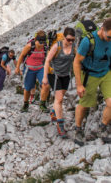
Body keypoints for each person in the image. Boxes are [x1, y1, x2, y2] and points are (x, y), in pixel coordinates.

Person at [74, 17, 111, 146]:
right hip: (90, 75)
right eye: (109, 37)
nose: (110, 40)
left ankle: (102, 128)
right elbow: (77, 62)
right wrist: (79, 85)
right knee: (84, 104)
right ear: (102, 29)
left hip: (106, 73)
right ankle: (78, 129)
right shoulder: (88, 41)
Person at [42, 27, 76, 138]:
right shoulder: (57, 46)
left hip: (66, 76)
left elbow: (77, 60)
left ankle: (54, 111)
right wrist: (45, 78)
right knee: (59, 99)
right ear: (64, 37)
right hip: (54, 75)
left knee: (60, 97)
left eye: (72, 40)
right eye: (68, 39)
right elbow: (47, 60)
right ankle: (60, 124)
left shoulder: (73, 47)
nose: (70, 42)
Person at [15, 31, 50, 113]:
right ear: (36, 40)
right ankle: (25, 104)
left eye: (43, 42)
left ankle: (43, 104)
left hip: (40, 68)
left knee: (46, 85)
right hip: (29, 69)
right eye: (40, 42)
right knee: (27, 88)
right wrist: (17, 67)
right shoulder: (30, 46)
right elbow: (22, 56)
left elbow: (48, 58)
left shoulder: (45, 47)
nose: (41, 44)